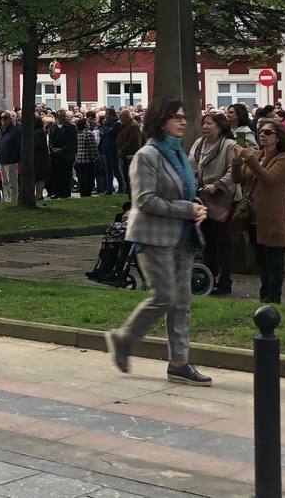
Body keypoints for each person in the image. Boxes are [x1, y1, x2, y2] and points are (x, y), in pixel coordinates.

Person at [105, 97, 212, 387]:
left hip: (183, 236)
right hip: (153, 237)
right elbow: (144, 200)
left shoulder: (179, 154)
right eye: (176, 117)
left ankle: (180, 363)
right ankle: (124, 337)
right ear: (160, 120)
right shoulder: (147, 155)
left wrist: (197, 206)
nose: (183, 121)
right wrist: (186, 209)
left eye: (184, 117)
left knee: (182, 302)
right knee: (165, 297)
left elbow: (185, 192)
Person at [232, 119, 285, 303]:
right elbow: (239, 179)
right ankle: (264, 297)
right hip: (252, 217)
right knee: (260, 261)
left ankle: (275, 299)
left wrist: (249, 159)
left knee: (273, 261)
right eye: (261, 132)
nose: (263, 135)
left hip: (272, 217)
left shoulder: (284, 159)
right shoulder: (257, 155)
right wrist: (236, 162)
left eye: (268, 133)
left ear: (278, 138)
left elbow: (268, 179)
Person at [188, 111, 237, 296]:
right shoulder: (198, 144)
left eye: (209, 123)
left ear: (220, 126)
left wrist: (218, 185)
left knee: (223, 238)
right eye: (204, 123)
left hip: (224, 198)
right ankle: (209, 275)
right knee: (207, 238)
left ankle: (225, 281)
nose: (205, 127)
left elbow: (234, 170)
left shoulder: (229, 146)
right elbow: (191, 164)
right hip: (203, 197)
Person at [48, 109, 77, 199]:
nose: (62, 118)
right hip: (55, 155)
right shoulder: (53, 127)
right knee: (56, 174)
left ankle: (66, 192)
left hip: (66, 155)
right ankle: (57, 192)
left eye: (63, 116)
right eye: (60, 116)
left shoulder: (71, 127)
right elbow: (50, 140)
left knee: (66, 174)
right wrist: (52, 149)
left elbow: (72, 142)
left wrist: (62, 149)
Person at [115, 108, 143, 193]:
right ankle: (128, 190)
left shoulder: (132, 126)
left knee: (129, 174)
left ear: (126, 116)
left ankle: (131, 191)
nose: (119, 119)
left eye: (121, 116)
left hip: (130, 155)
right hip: (125, 154)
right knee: (126, 174)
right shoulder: (127, 125)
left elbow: (132, 141)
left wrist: (122, 150)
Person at [0, 112, 21, 202]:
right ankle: (7, 199)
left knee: (12, 182)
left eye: (5, 118)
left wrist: (19, 160)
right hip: (2, 159)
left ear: (11, 119)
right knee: (4, 182)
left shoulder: (16, 130)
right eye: (1, 118)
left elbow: (19, 145)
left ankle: (13, 199)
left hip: (11, 159)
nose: (3, 120)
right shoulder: (1, 130)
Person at [98, 108, 123, 194]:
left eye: (107, 114)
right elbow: (102, 134)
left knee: (116, 169)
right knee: (107, 170)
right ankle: (109, 189)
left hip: (113, 149)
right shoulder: (107, 125)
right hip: (106, 149)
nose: (106, 116)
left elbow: (110, 133)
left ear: (112, 115)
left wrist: (105, 128)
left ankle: (122, 186)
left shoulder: (117, 124)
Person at [74, 117, 98, 197]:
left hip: (79, 159)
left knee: (81, 178)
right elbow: (92, 147)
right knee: (88, 177)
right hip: (88, 159)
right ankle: (87, 193)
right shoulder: (88, 134)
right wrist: (96, 157)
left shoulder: (78, 134)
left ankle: (82, 193)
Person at [33, 116, 51, 202]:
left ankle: (39, 195)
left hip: (39, 159)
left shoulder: (39, 133)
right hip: (40, 159)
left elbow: (37, 145)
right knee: (39, 177)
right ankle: (38, 195)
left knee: (39, 177)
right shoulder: (39, 132)